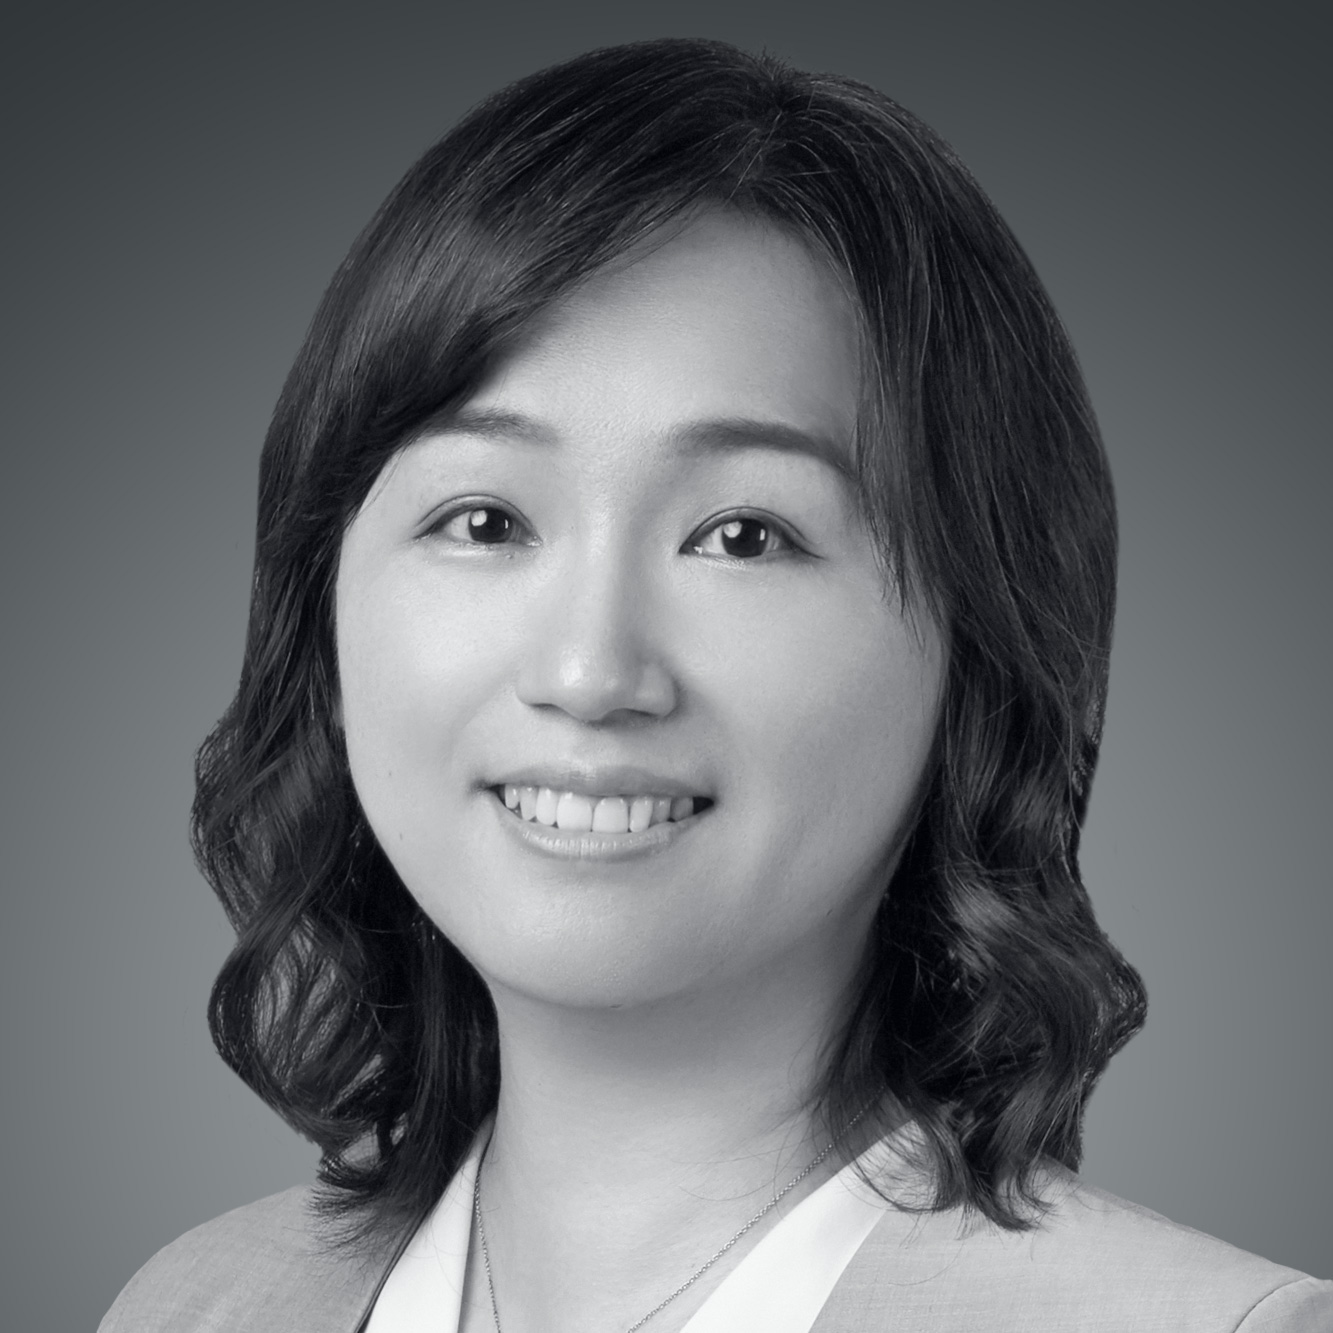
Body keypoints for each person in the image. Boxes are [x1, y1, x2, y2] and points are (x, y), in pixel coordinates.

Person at [99, 36, 1331, 1333]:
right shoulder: (190, 1307)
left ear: (979, 649)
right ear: (323, 610)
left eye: (744, 535)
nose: (590, 672)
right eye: (484, 520)